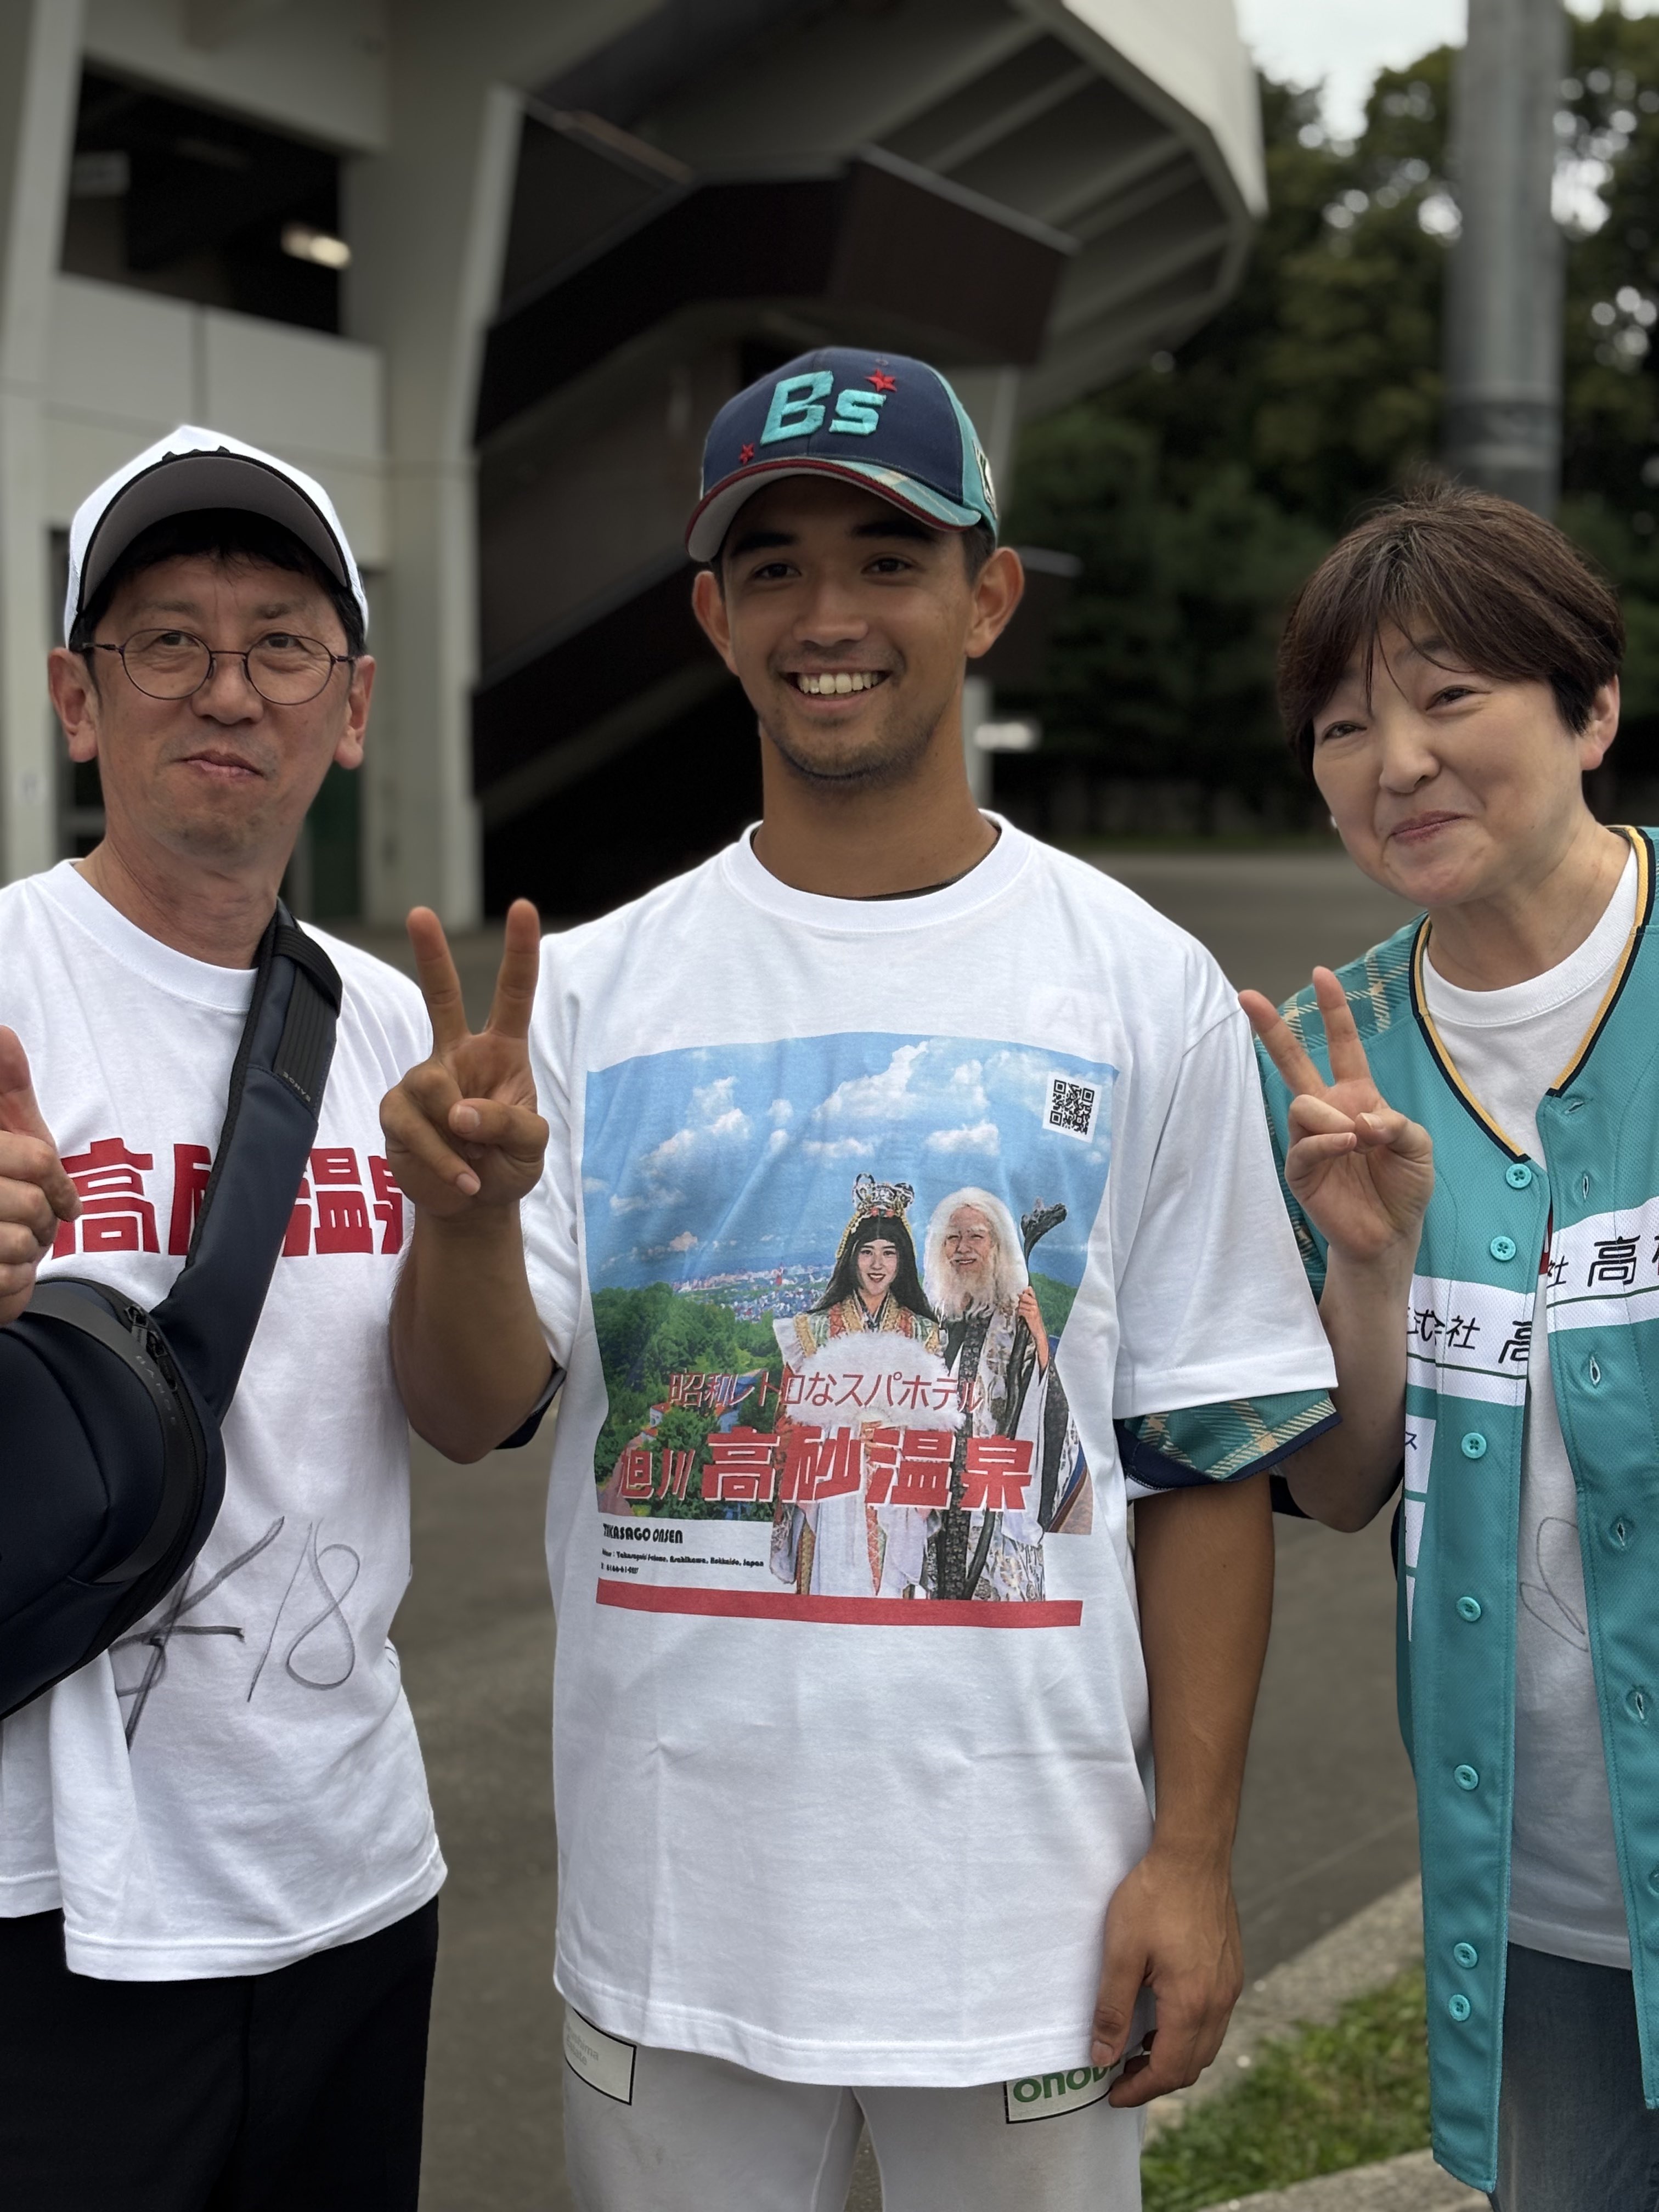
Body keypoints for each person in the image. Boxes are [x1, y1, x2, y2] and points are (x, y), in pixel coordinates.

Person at [382, 346, 1339, 2210]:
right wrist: (471, 1218)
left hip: (1032, 1929)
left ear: (985, 594)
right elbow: (469, 1404)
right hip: (680, 1929)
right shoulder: (590, 991)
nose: (831, 614)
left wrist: (1194, 1854)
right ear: (712, 620)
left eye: (888, 558)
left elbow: (1202, 1456)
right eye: (775, 567)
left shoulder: (1138, 983)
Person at [0, 427, 447, 2210]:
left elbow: (474, 1408)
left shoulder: (394, 1030)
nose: (226, 688)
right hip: (44, 1899)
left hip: (344, 1874)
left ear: (349, 706)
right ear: (76, 698)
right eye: (167, 641)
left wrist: (481, 1224)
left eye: (279, 643)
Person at [1244, 479, 1659, 2210]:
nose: (1395, 761)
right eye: (1346, 726)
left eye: (1449, 697)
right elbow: (1339, 1489)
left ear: (1592, 708)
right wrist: (1370, 1270)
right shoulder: (1343, 1067)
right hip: (1550, 1891)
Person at [771, 1173, 947, 1599]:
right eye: (867, 1252)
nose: (877, 1264)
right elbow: (788, 1417)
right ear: (850, 1258)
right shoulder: (812, 1330)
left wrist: (895, 1436)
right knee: (829, 1586)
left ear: (902, 1261)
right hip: (832, 1476)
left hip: (893, 1475)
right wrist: (838, 1435)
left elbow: (936, 1424)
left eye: (889, 1253)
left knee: (887, 1596)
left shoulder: (922, 1332)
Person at [919, 1184, 1082, 1601]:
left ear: (996, 1246)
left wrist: (1041, 1340)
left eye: (976, 1236)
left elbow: (1048, 1406)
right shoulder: (934, 1321)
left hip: (996, 1499)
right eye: (953, 1238)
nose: (963, 1248)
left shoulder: (1016, 1317)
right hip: (937, 1496)